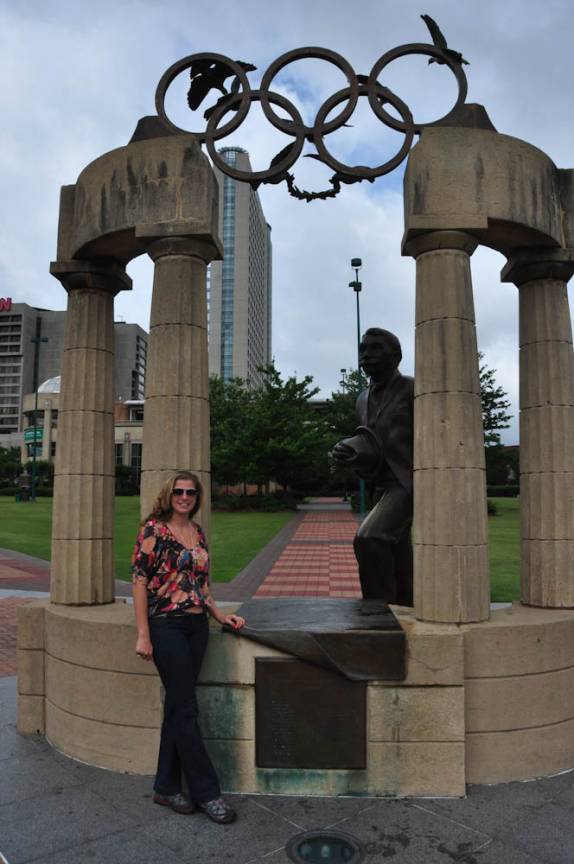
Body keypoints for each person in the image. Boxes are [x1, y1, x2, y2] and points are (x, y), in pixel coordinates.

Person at [132, 471, 245, 823]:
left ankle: (166, 787)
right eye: (179, 491)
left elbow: (202, 584)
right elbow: (139, 581)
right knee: (186, 710)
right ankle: (208, 793)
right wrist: (143, 633)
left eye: (191, 492)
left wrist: (219, 615)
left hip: (197, 626)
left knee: (178, 708)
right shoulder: (153, 530)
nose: (184, 497)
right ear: (169, 494)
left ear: (197, 497)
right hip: (166, 627)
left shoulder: (197, 532)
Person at [331, 328, 414, 606]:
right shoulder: (362, 398)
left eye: (374, 349)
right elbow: (373, 443)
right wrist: (350, 450)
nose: (366, 355)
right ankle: (404, 605)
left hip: (408, 483)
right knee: (399, 551)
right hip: (382, 485)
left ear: (396, 355)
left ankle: (378, 611)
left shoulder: (415, 389)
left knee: (370, 536)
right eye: (362, 350)